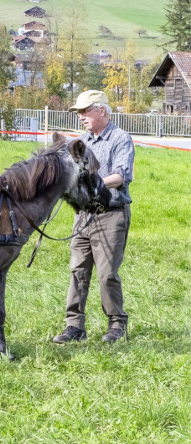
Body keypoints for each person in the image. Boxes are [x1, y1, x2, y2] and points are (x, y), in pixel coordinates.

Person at [53, 90, 135, 344]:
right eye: (78, 112)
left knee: (107, 273)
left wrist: (92, 182)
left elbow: (121, 176)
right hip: (83, 216)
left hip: (111, 215)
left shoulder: (121, 139)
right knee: (78, 270)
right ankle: (74, 326)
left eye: (85, 111)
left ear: (101, 111)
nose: (81, 117)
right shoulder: (80, 143)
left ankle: (117, 325)